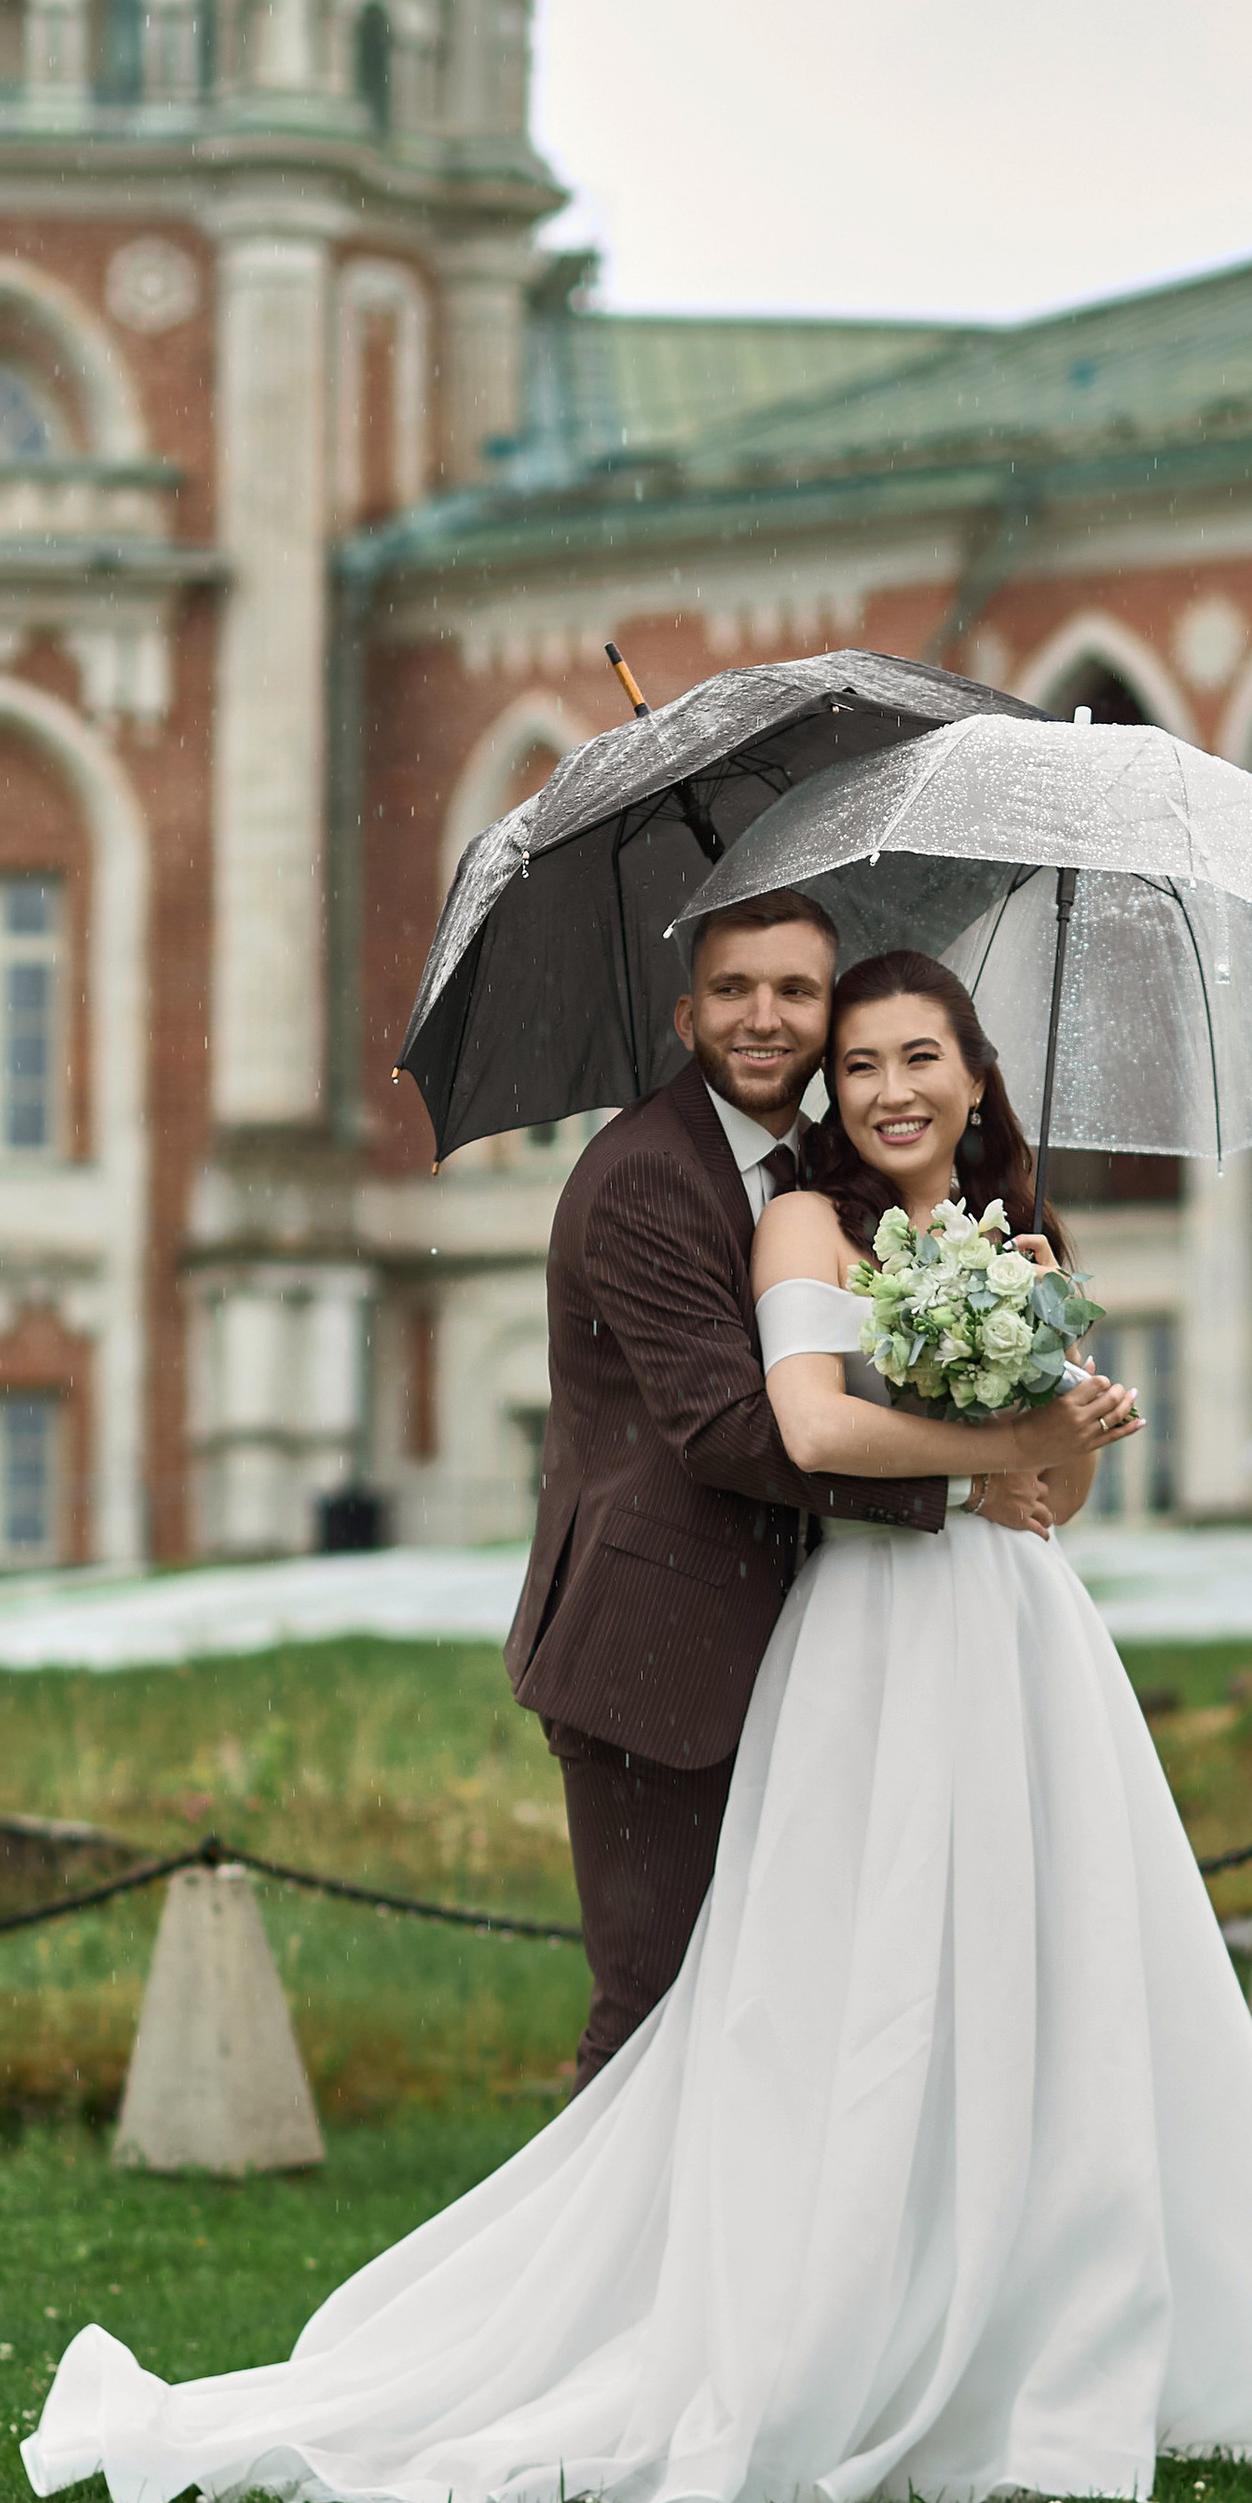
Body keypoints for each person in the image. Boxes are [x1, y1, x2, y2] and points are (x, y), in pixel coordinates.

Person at [24, 947, 1252, 2503]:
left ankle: (1008, 2326)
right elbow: (789, 1427)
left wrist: (1062, 1432)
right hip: (824, 1638)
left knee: (1021, 1991)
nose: (887, 1084)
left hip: (1015, 1646)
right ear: (710, 1018)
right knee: (763, 2010)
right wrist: (992, 1447)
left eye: (917, 1055)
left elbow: (1051, 1508)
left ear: (976, 1079)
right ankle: (657, 2328)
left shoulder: (1010, 1243)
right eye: (864, 1057)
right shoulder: (766, 1211)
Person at [500, 889, 1084, 2087]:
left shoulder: (822, 1179)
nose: (763, 1018)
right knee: (654, 2021)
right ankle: (609, 2277)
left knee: (795, 2016)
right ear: (683, 1012)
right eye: (731, 990)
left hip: (812, 1647)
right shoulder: (647, 1175)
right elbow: (728, 1428)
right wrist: (972, 1485)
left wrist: (1040, 1342)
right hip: (656, 1655)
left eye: (794, 992)